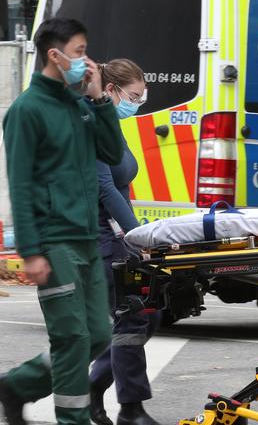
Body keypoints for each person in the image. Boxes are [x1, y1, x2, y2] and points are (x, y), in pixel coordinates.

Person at [0, 17, 123, 424]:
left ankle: (16, 386)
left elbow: (112, 153)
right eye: (79, 51)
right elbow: (19, 183)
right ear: (54, 55)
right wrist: (30, 251)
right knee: (71, 336)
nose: (85, 60)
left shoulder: (80, 106)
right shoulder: (26, 110)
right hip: (54, 241)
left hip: (87, 237)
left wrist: (100, 101)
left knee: (98, 335)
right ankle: (74, 420)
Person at [86, 59, 161, 425]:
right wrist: (136, 234)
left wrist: (137, 235)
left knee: (151, 311)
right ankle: (131, 409)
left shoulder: (113, 125)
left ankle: (90, 388)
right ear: (111, 90)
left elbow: (122, 186)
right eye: (133, 96)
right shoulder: (92, 125)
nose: (137, 104)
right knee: (132, 314)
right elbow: (103, 187)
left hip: (116, 235)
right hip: (95, 235)